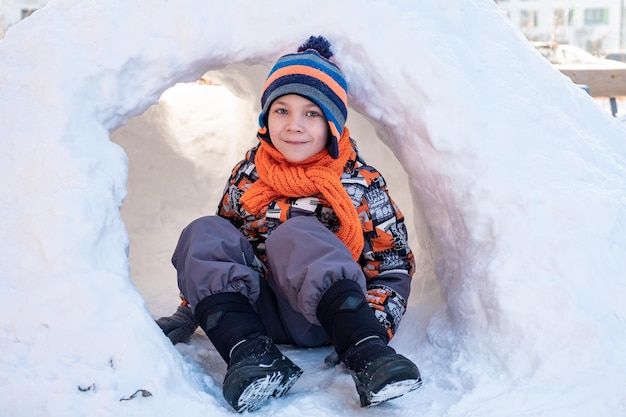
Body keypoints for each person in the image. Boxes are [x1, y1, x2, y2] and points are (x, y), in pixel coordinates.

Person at [156, 35, 422, 413]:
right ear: (265, 118)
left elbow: (392, 265)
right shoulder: (249, 173)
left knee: (295, 234)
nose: (294, 125)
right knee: (203, 230)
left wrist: (371, 329)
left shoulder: (359, 183)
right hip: (254, 315)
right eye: (281, 110)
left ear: (333, 123)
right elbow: (219, 249)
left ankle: (368, 357)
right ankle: (251, 356)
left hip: (330, 317)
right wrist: (191, 310)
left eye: (311, 113)